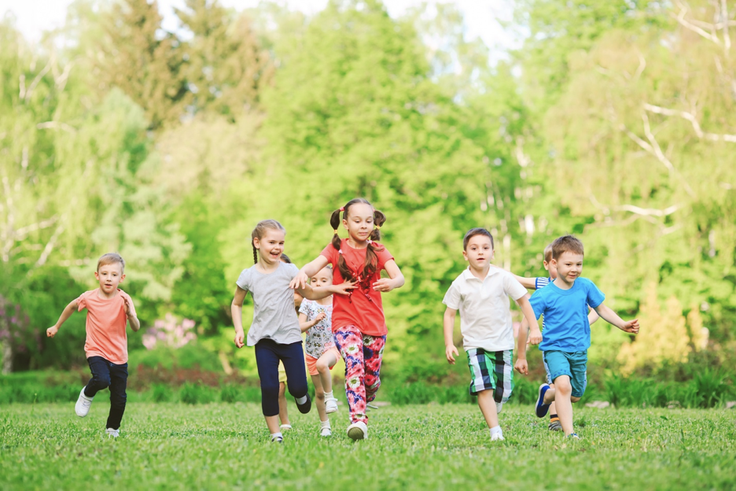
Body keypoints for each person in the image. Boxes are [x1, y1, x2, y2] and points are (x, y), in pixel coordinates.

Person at [290, 198, 404, 440]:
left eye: (368, 221)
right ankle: (358, 421)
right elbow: (314, 265)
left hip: (375, 324)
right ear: (345, 223)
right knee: (354, 364)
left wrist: (392, 283)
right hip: (344, 321)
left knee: (370, 380)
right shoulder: (336, 249)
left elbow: (400, 277)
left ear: (374, 223)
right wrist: (302, 272)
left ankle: (366, 393)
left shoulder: (378, 250)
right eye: (357, 220)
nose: (364, 225)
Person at [231, 220, 354, 443]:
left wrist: (333, 288)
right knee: (269, 386)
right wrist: (239, 329)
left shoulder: (290, 271)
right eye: (272, 242)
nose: (278, 247)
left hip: (290, 339)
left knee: (297, 386)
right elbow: (236, 303)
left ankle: (300, 396)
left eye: (281, 242)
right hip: (264, 340)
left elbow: (310, 293)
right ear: (257, 243)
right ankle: (275, 433)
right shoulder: (248, 275)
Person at [517, 235, 639, 438]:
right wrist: (521, 356)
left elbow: (602, 309)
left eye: (579, 264)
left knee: (574, 395)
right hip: (554, 348)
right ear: (554, 263)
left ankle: (547, 394)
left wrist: (622, 324)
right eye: (568, 264)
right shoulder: (544, 294)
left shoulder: (585, 286)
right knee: (563, 385)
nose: (574, 268)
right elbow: (524, 326)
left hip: (579, 349)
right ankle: (569, 433)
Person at [442, 228, 539, 442]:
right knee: (483, 385)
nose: (480, 252)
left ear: (493, 253)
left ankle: (494, 407)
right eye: (474, 248)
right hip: (475, 344)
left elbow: (524, 301)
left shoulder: (502, 277)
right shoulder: (460, 282)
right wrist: (449, 343)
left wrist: (535, 328)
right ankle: (495, 431)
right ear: (465, 254)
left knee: (503, 391)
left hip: (503, 343)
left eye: (485, 248)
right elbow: (449, 314)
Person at [46, 253, 141, 438]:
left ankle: (112, 429)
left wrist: (130, 314)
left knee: (119, 398)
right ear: (97, 275)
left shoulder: (125, 300)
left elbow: (136, 327)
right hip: (95, 350)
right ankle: (87, 394)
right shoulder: (89, 297)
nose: (109, 278)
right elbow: (72, 307)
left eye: (114, 274)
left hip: (119, 355)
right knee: (102, 380)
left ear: (121, 278)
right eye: (104, 273)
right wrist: (56, 326)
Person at [514, 243, 599, 431]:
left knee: (573, 393)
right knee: (559, 382)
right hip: (552, 344)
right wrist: (489, 267)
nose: (570, 269)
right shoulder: (544, 286)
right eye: (561, 264)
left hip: (575, 344)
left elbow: (598, 310)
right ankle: (556, 419)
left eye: (575, 264)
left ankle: (546, 395)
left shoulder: (580, 286)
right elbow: (515, 279)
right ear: (549, 264)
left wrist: (581, 322)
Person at [299, 265, 341, 437]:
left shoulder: (337, 301)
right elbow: (299, 327)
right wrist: (313, 321)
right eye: (313, 280)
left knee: (322, 364)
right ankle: (325, 425)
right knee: (318, 392)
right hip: (311, 350)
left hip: (331, 347)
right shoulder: (307, 302)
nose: (317, 284)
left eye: (323, 280)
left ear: (332, 282)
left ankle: (330, 397)